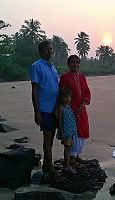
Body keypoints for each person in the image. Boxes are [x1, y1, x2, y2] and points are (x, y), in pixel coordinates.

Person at [29, 40, 59, 180]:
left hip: (54, 108)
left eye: (51, 49)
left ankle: (46, 163)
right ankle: (50, 167)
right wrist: (37, 111)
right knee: (47, 137)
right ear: (40, 51)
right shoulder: (36, 66)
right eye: (47, 49)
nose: (50, 51)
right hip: (44, 108)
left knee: (51, 136)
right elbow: (34, 89)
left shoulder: (52, 67)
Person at [59, 55, 91, 166]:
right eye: (73, 62)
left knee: (82, 130)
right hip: (70, 110)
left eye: (77, 62)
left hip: (81, 109)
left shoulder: (82, 77)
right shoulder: (65, 77)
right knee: (72, 132)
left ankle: (76, 155)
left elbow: (87, 92)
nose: (75, 64)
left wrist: (82, 105)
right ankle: (71, 157)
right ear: (69, 64)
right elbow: (62, 94)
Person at [57, 88, 78, 174]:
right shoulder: (61, 108)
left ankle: (67, 163)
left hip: (71, 131)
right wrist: (61, 132)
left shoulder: (69, 107)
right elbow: (60, 121)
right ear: (61, 98)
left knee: (69, 148)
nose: (68, 99)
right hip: (65, 132)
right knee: (67, 148)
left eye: (69, 97)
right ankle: (66, 165)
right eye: (65, 97)